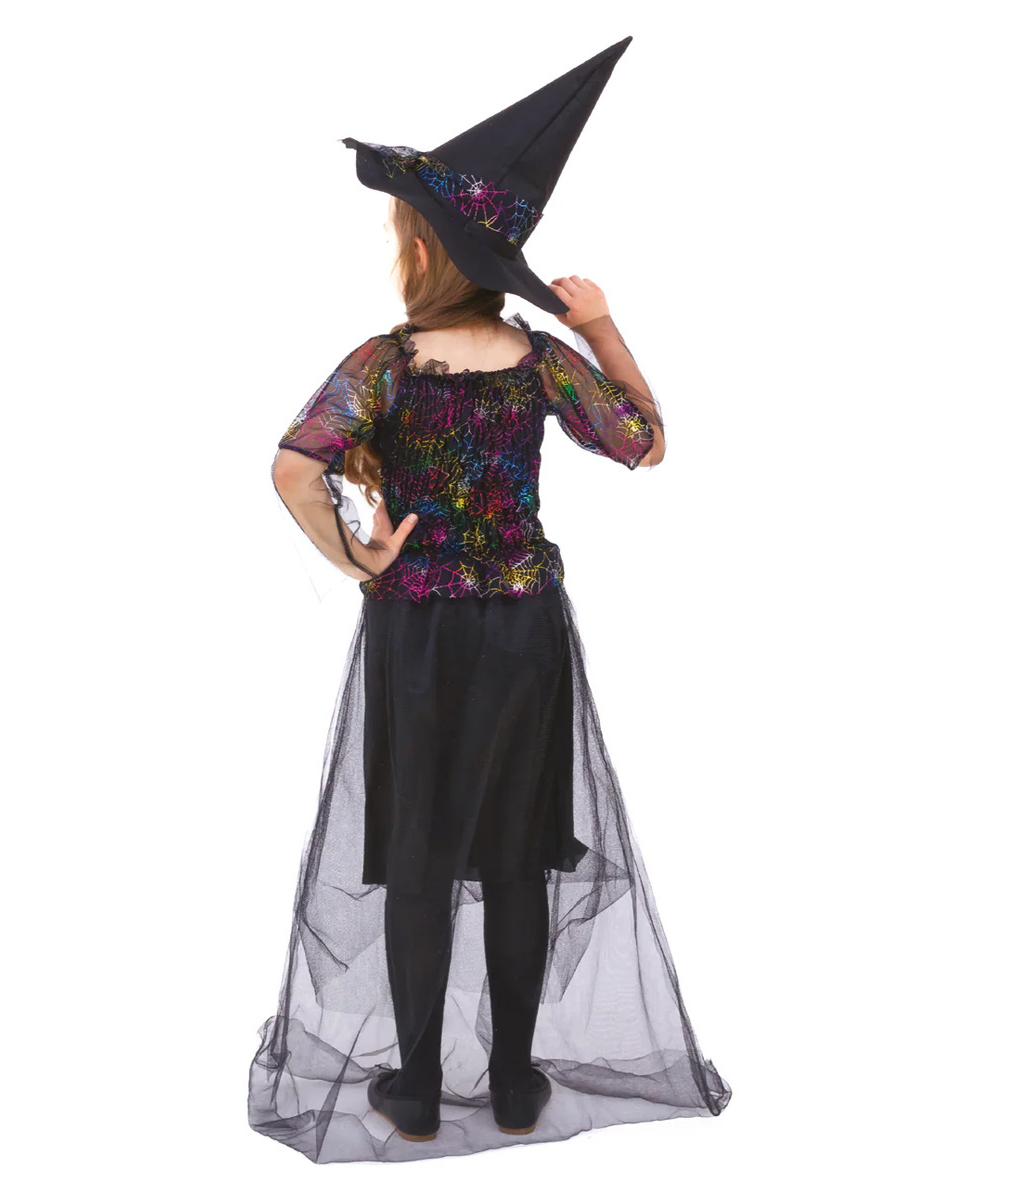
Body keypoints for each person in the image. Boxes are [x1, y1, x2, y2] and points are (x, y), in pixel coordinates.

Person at [252, 36, 729, 1163]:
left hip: (418, 631)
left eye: (401, 231)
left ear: (426, 249)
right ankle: (515, 1082)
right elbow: (642, 440)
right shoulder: (539, 360)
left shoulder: (385, 363)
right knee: (518, 852)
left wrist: (362, 560)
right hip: (522, 628)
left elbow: (291, 467)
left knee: (419, 851)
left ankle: (417, 1087)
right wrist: (598, 323)